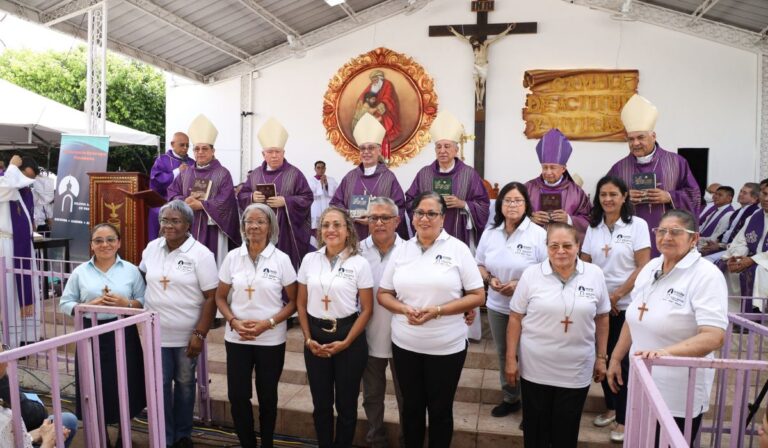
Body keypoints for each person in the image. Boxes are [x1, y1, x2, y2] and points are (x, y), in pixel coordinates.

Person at [607, 209, 728, 445]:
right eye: (661, 231)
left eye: (676, 232)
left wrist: (665, 353)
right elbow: (635, 317)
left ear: (694, 238)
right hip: (641, 383)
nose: (666, 237)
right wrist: (616, 357)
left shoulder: (706, 276)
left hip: (679, 391)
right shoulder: (652, 266)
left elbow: (713, 337)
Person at [378, 192, 485, 447]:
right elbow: (384, 293)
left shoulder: (458, 249)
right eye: (419, 213)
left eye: (431, 213)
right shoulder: (402, 250)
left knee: (440, 411)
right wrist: (404, 309)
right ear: (412, 218)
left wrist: (437, 310)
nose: (424, 219)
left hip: (446, 347)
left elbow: (477, 295)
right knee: (412, 409)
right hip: (406, 345)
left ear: (442, 218)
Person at [505, 222, 610, 448]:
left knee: (566, 432)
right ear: (546, 247)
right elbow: (515, 316)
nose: (560, 251)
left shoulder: (594, 274)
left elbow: (602, 317)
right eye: (554, 246)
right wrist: (510, 358)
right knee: (535, 432)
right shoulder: (532, 275)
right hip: (536, 367)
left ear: (578, 246)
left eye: (566, 245)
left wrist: (601, 357)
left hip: (576, 368)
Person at [215, 203, 298, 448]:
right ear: (243, 226)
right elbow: (220, 296)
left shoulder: (281, 259)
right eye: (249, 221)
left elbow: (294, 301)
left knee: (268, 395)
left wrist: (268, 323)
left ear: (270, 226)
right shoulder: (232, 257)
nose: (254, 226)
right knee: (238, 396)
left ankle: (267, 443)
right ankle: (247, 442)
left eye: (260, 221)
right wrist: (233, 321)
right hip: (237, 336)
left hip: (270, 339)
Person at [139, 200, 219, 448]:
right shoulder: (151, 248)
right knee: (160, 385)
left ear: (188, 225)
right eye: (165, 220)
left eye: (175, 221)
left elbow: (211, 297)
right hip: (155, 333)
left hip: (187, 335)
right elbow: (143, 278)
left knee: (185, 385)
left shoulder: (201, 254)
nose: (168, 225)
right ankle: (165, 436)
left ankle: (183, 435)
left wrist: (200, 333)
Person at [58, 223, 147, 443]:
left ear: (118, 243)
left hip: (123, 333)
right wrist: (87, 305)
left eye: (110, 240)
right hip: (90, 333)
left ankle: (124, 436)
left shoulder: (131, 270)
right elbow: (65, 303)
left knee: (126, 384)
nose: (104, 245)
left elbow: (144, 301)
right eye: (98, 240)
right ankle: (101, 437)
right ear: (91, 245)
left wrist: (126, 303)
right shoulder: (80, 272)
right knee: (93, 386)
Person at [580, 176, 651, 443]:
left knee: (620, 360)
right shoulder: (594, 227)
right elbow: (585, 263)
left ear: (624, 197)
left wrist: (618, 294)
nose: (607, 199)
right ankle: (610, 407)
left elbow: (643, 264)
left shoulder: (637, 226)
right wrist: (601, 297)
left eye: (613, 194)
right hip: (599, 303)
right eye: (602, 195)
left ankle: (624, 417)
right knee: (602, 354)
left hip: (625, 303)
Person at [297, 207, 373, 448]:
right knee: (321, 404)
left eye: (337, 225)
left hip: (348, 337)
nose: (331, 230)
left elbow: (367, 309)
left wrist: (347, 342)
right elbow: (300, 302)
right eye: (326, 225)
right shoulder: (310, 259)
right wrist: (308, 339)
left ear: (348, 230)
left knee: (347, 405)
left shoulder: (359, 263)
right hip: (316, 337)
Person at [475, 182, 546, 418]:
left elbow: (548, 269)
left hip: (529, 307)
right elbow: (480, 264)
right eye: (507, 200)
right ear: (500, 204)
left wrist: (519, 285)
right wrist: (489, 280)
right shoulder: (491, 232)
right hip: (497, 304)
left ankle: (532, 406)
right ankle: (510, 397)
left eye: (517, 200)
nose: (512, 205)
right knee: (504, 351)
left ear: (526, 205)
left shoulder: (537, 234)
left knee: (528, 354)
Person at [608, 94, 701, 256]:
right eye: (631, 139)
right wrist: (624, 198)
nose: (635, 143)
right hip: (629, 238)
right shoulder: (619, 168)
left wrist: (669, 197)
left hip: (669, 236)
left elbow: (695, 195)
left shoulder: (676, 162)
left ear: (653, 136)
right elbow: (604, 200)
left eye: (641, 137)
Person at [358, 197, 405, 447]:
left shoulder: (410, 250)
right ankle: (375, 438)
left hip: (403, 338)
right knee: (372, 394)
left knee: (406, 395)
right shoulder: (355, 250)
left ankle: (409, 439)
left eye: (385, 218)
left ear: (397, 221)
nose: (378, 223)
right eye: (373, 218)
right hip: (369, 334)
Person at [406, 111, 490, 249]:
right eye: (439, 147)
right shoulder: (424, 174)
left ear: (456, 150)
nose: (442, 150)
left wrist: (463, 204)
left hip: (458, 233)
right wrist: (424, 210)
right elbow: (410, 201)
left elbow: (483, 204)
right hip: (428, 233)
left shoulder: (469, 174)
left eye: (447, 146)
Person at [237, 117, 313, 270]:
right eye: (270, 152)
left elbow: (307, 197)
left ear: (283, 153)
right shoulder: (255, 174)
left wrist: (286, 201)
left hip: (285, 230)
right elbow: (241, 196)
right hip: (258, 230)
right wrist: (252, 197)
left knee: (282, 267)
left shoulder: (294, 173)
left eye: (277, 152)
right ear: (263, 154)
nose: (274, 155)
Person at [167, 115, 241, 265]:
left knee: (212, 265)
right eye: (197, 149)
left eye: (205, 149)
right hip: (187, 228)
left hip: (213, 229)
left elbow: (227, 201)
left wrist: (202, 205)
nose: (200, 152)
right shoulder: (185, 173)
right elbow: (172, 194)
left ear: (213, 151)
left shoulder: (222, 173)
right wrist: (183, 201)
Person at [331, 113, 409, 240]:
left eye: (371, 148)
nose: (366, 152)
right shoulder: (350, 177)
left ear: (379, 151)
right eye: (362, 149)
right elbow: (335, 203)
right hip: (353, 236)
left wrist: (377, 219)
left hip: (381, 238)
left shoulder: (388, 178)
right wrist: (350, 214)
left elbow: (399, 207)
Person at [0, 343, 78, 448]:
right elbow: (33, 414)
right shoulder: (6, 419)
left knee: (66, 421)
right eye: (4, 350)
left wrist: (35, 434)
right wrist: (47, 442)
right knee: (64, 424)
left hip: (21, 435)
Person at [524, 128, 592, 242]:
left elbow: (590, 219)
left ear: (563, 168)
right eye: (545, 167)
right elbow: (513, 215)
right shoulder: (528, 188)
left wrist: (569, 219)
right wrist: (530, 219)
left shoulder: (576, 192)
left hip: (564, 245)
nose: (548, 172)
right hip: (532, 244)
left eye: (553, 167)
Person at [0, 155, 40, 347]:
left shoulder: (24, 191)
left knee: (22, 288)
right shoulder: (4, 182)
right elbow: (5, 188)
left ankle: (24, 338)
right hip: (5, 246)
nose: (26, 183)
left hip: (22, 245)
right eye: (24, 176)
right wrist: (12, 167)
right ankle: (9, 340)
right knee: (7, 291)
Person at [724, 179, 768, 302]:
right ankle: (733, 313)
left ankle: (757, 312)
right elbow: (741, 241)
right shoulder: (754, 216)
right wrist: (737, 257)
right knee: (726, 266)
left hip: (762, 262)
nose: (766, 199)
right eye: (764, 194)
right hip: (753, 258)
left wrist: (753, 260)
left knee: (759, 270)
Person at [149, 132, 195, 239]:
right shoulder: (162, 160)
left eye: (187, 145)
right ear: (172, 144)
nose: (185, 148)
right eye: (182, 145)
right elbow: (156, 181)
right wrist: (177, 172)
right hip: (163, 202)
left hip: (185, 205)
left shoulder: (192, 163)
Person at [701, 182, 759, 261]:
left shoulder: (754, 213)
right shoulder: (737, 212)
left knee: (706, 261)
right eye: (741, 191)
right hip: (723, 247)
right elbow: (727, 232)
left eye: (744, 193)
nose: (740, 194)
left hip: (736, 251)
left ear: (754, 198)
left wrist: (720, 246)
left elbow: (742, 239)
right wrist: (717, 243)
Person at [353, 70, 400, 161]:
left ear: (380, 78)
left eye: (375, 80)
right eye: (372, 80)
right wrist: (361, 102)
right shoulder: (372, 86)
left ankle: (383, 140)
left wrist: (381, 104)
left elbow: (388, 97)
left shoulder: (387, 84)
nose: (373, 82)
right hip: (372, 108)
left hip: (386, 108)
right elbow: (363, 95)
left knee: (382, 119)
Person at [309, 160, 338, 239]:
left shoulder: (331, 180)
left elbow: (336, 192)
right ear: (315, 169)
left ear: (325, 169)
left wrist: (327, 184)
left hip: (327, 207)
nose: (320, 170)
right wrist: (320, 184)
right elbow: (310, 193)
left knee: (329, 228)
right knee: (317, 230)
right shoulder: (310, 180)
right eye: (318, 168)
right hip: (316, 207)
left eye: (322, 168)